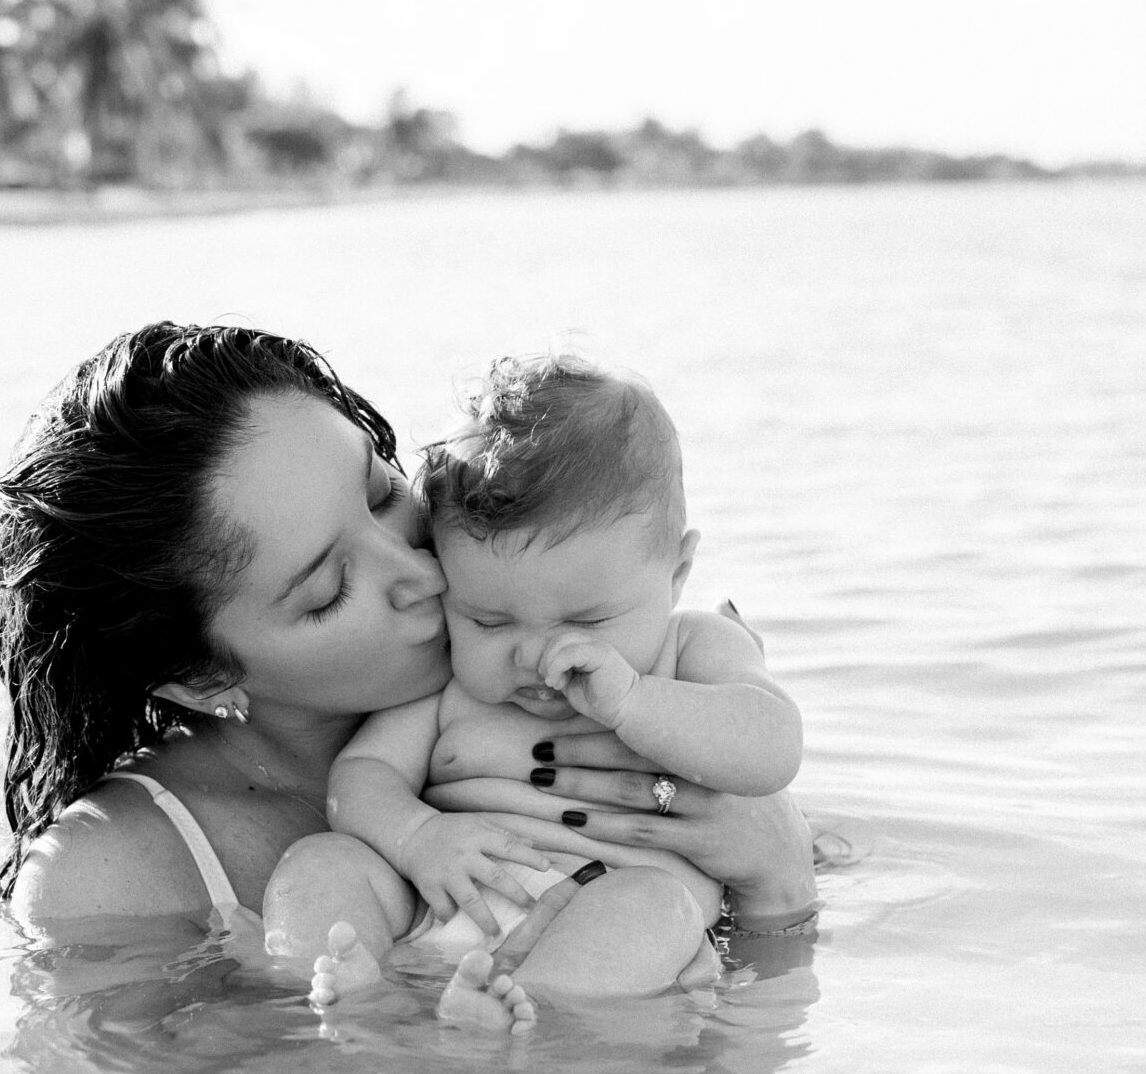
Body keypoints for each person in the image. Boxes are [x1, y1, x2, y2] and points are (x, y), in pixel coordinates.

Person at [0, 321, 818, 1024]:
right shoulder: (107, 877)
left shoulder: (578, 637)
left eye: (384, 493)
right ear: (201, 677)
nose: (420, 573)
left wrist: (776, 871)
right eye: (332, 588)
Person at [321, 354, 805, 1026]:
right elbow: (361, 776)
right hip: (444, 906)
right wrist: (416, 837)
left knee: (654, 907)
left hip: (605, 936)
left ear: (677, 572)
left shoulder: (689, 649)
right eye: (487, 619)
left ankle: (530, 1017)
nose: (536, 656)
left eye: (586, 621)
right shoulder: (450, 685)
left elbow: (771, 749)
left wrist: (634, 701)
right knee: (326, 859)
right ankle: (326, 982)